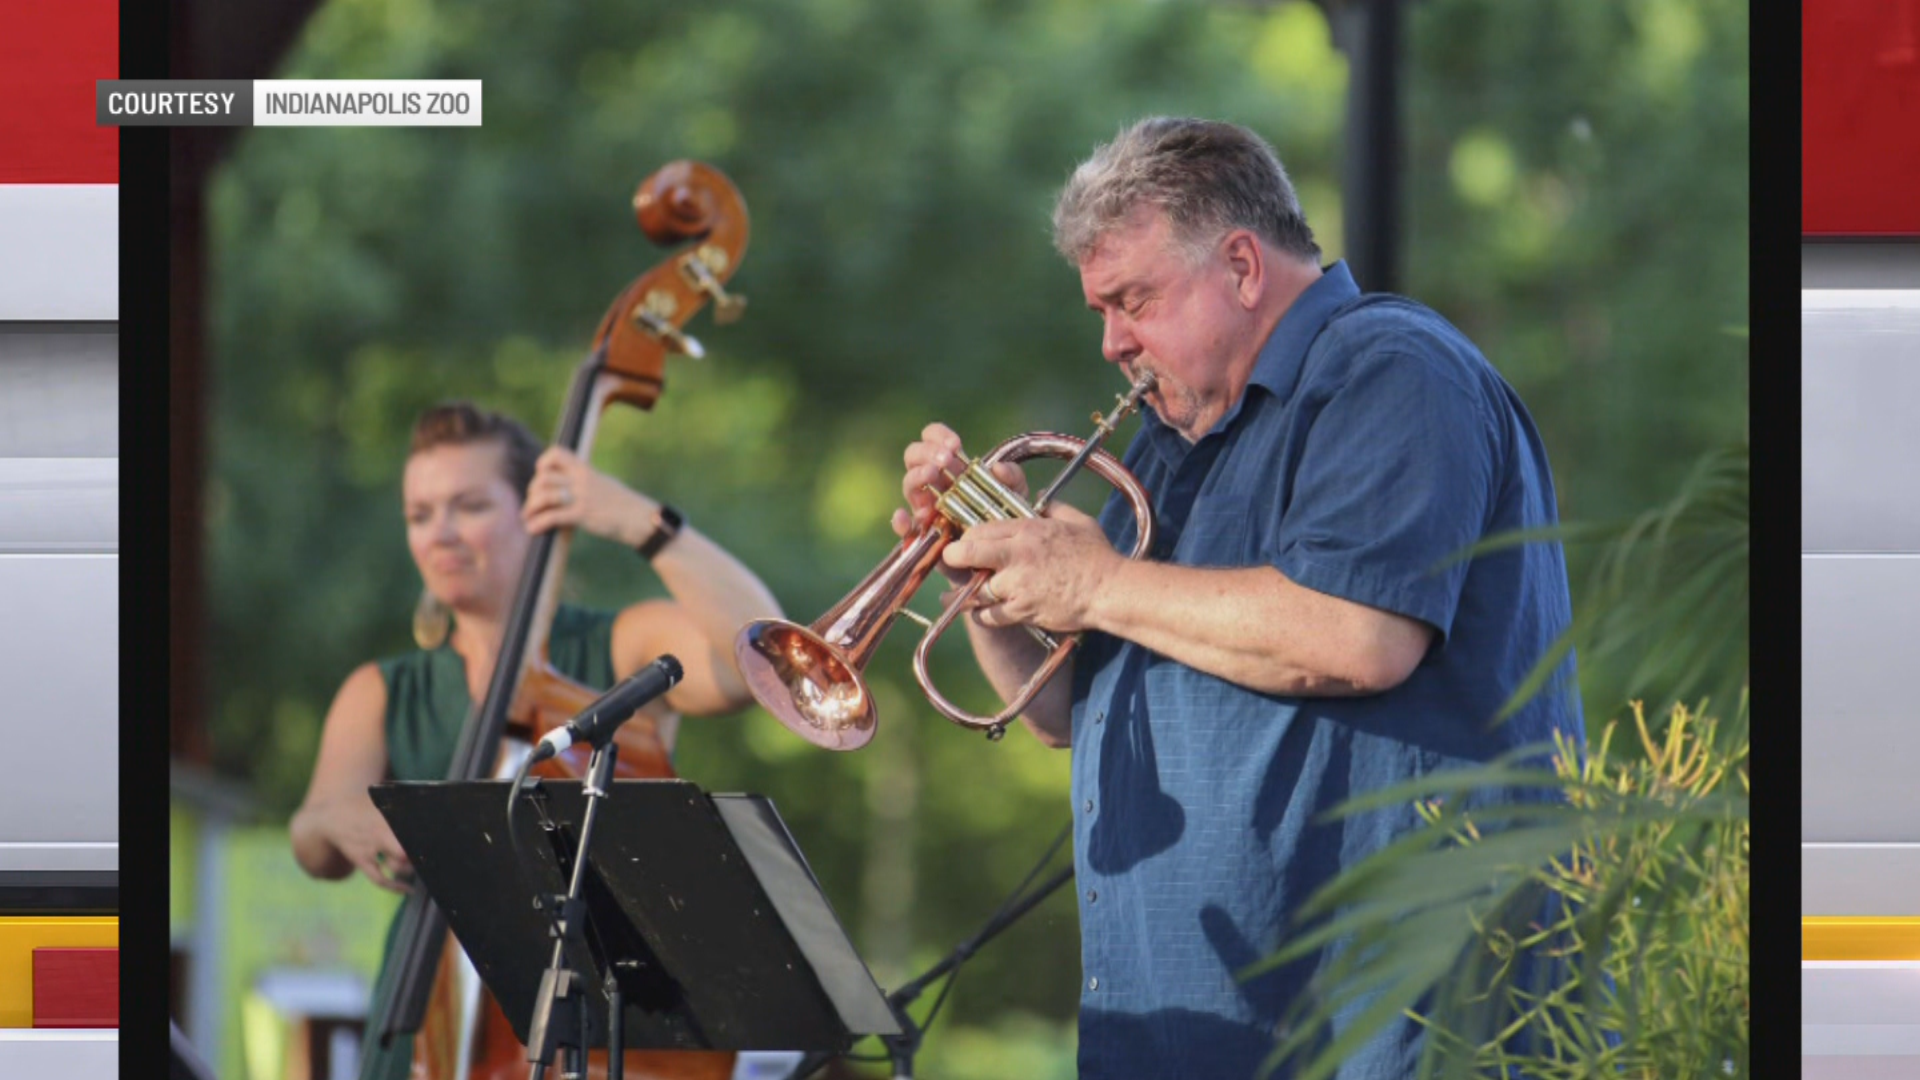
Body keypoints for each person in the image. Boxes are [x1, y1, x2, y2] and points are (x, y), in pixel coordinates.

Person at [891, 117, 1584, 1078]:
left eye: (1133, 301)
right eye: (1100, 309)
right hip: (1190, 1029)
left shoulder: (1390, 366)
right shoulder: (1171, 440)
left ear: (1244, 268)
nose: (1110, 343)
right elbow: (1059, 712)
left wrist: (1093, 580)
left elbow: (1359, 636)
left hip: (1386, 1031)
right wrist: (992, 582)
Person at [290, 401, 783, 1080]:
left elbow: (761, 664)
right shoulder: (382, 689)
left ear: (535, 509)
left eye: (468, 505)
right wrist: (334, 820)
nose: (441, 533)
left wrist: (646, 525)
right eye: (420, 514)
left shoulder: (618, 646)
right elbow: (312, 839)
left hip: (583, 1036)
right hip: (420, 1034)